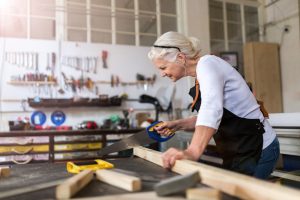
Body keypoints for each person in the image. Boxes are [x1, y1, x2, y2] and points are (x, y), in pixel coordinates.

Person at [147, 31, 280, 179]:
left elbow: (212, 109)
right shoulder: (200, 76)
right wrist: (177, 124)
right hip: (240, 149)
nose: (162, 74)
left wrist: (192, 151)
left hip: (259, 147)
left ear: (180, 57)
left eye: (163, 67)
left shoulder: (208, 64)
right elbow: (212, 114)